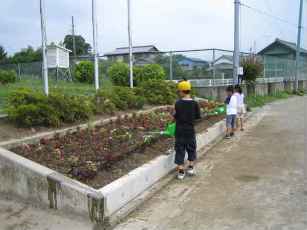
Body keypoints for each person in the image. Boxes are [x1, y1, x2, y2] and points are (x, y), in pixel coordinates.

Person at [173, 80, 201, 180]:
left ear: (182, 91)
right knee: (191, 149)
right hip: (190, 130)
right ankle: (191, 168)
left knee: (180, 150)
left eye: (179, 91)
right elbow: (198, 117)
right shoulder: (195, 103)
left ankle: (181, 172)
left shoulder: (178, 103)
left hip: (180, 131)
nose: (179, 93)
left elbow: (175, 116)